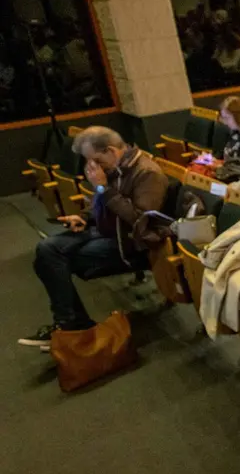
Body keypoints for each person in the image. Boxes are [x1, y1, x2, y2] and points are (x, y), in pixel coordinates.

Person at [20, 126, 168, 347]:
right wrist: (84, 217)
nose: (92, 167)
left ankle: (72, 326)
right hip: (105, 233)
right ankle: (72, 323)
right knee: (47, 248)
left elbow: (140, 221)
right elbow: (101, 202)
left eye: (96, 160)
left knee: (54, 259)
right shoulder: (114, 170)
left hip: (130, 245)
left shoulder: (147, 173)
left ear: (110, 151)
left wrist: (103, 188)